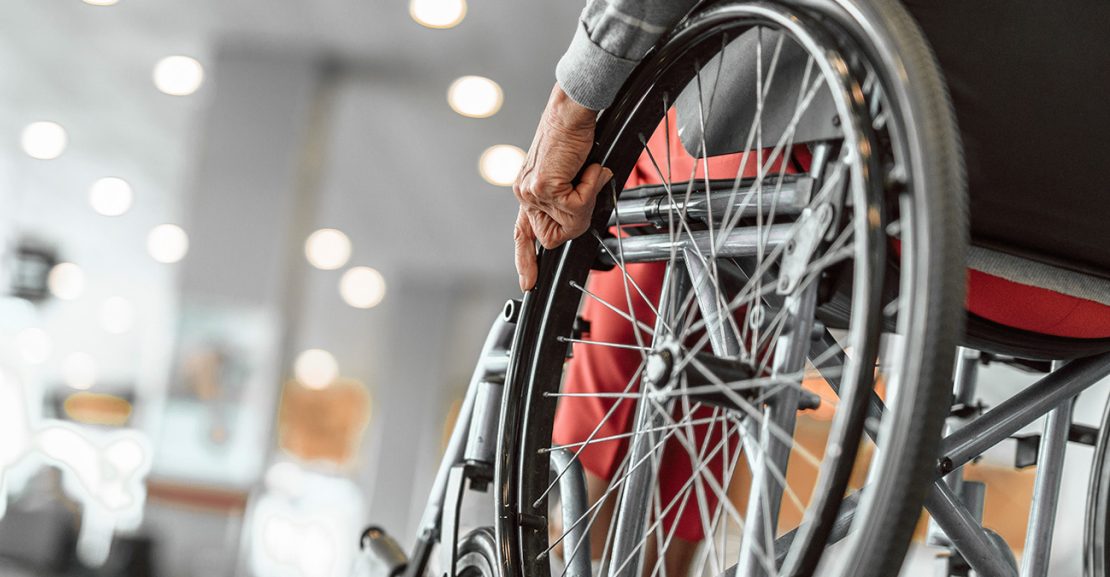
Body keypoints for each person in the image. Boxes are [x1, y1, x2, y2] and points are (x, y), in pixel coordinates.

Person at [512, 2, 725, 574]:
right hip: (906, 188)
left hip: (743, 124)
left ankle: (569, 543)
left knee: (638, 209)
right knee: (728, 366)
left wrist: (567, 109)